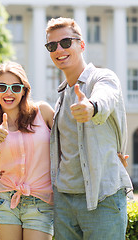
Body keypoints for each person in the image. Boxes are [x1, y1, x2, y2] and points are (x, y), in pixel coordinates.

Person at [45, 17, 133, 239]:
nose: (59, 50)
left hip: (102, 198)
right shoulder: (62, 94)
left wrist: (91, 107)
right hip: (64, 201)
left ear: (81, 45)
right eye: (52, 46)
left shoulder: (102, 77)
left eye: (66, 42)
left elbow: (106, 97)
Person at [0, 62, 54, 240]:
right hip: (6, 200)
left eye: (15, 87)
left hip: (41, 200)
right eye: (2, 87)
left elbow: (68, 142)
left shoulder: (43, 112)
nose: (9, 93)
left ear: (24, 90)